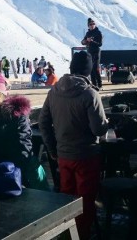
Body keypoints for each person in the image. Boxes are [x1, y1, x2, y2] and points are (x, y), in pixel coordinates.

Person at [39, 51, 109, 239]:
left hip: (63, 156)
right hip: (87, 156)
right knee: (85, 204)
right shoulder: (89, 94)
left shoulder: (54, 91)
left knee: (67, 201)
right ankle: (81, 235)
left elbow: (43, 122)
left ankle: (67, 235)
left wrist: (52, 149)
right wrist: (107, 122)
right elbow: (98, 130)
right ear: (89, 70)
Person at [81, 18, 103, 89]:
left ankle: (99, 84)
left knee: (95, 68)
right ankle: (94, 85)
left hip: (96, 51)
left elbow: (100, 44)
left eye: (93, 24)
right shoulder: (88, 33)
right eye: (90, 24)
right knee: (91, 69)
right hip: (89, 51)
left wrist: (92, 41)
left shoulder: (98, 32)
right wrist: (86, 40)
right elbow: (82, 42)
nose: (92, 25)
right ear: (88, 25)